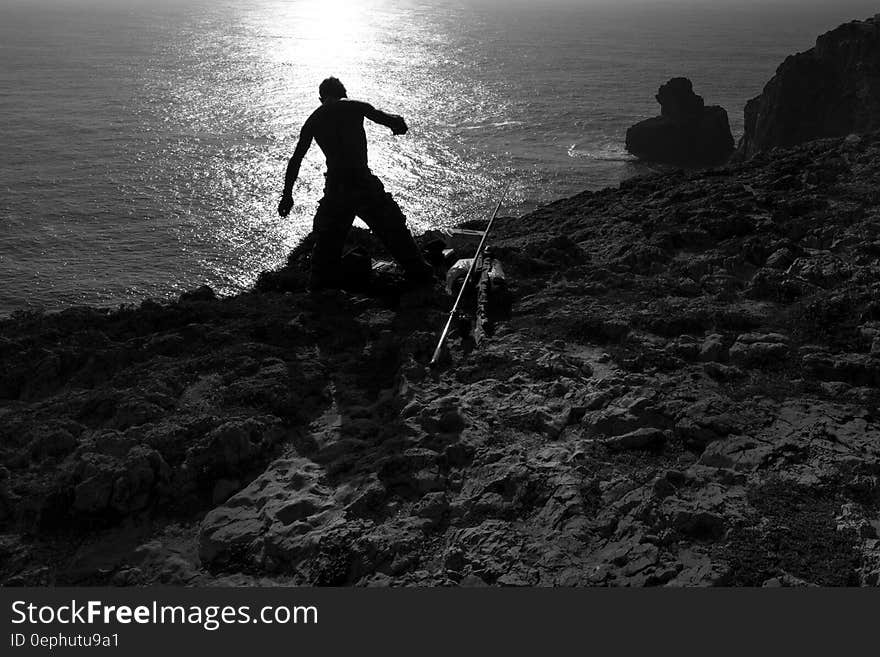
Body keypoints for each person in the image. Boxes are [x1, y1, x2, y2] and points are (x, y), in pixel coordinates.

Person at [277, 77, 434, 290]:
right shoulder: (356, 107)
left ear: (321, 98)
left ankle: (320, 295)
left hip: (336, 188)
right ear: (344, 93)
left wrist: (287, 195)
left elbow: (296, 159)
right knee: (394, 232)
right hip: (363, 183)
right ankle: (421, 276)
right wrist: (397, 123)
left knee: (326, 248)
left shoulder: (314, 119)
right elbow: (390, 120)